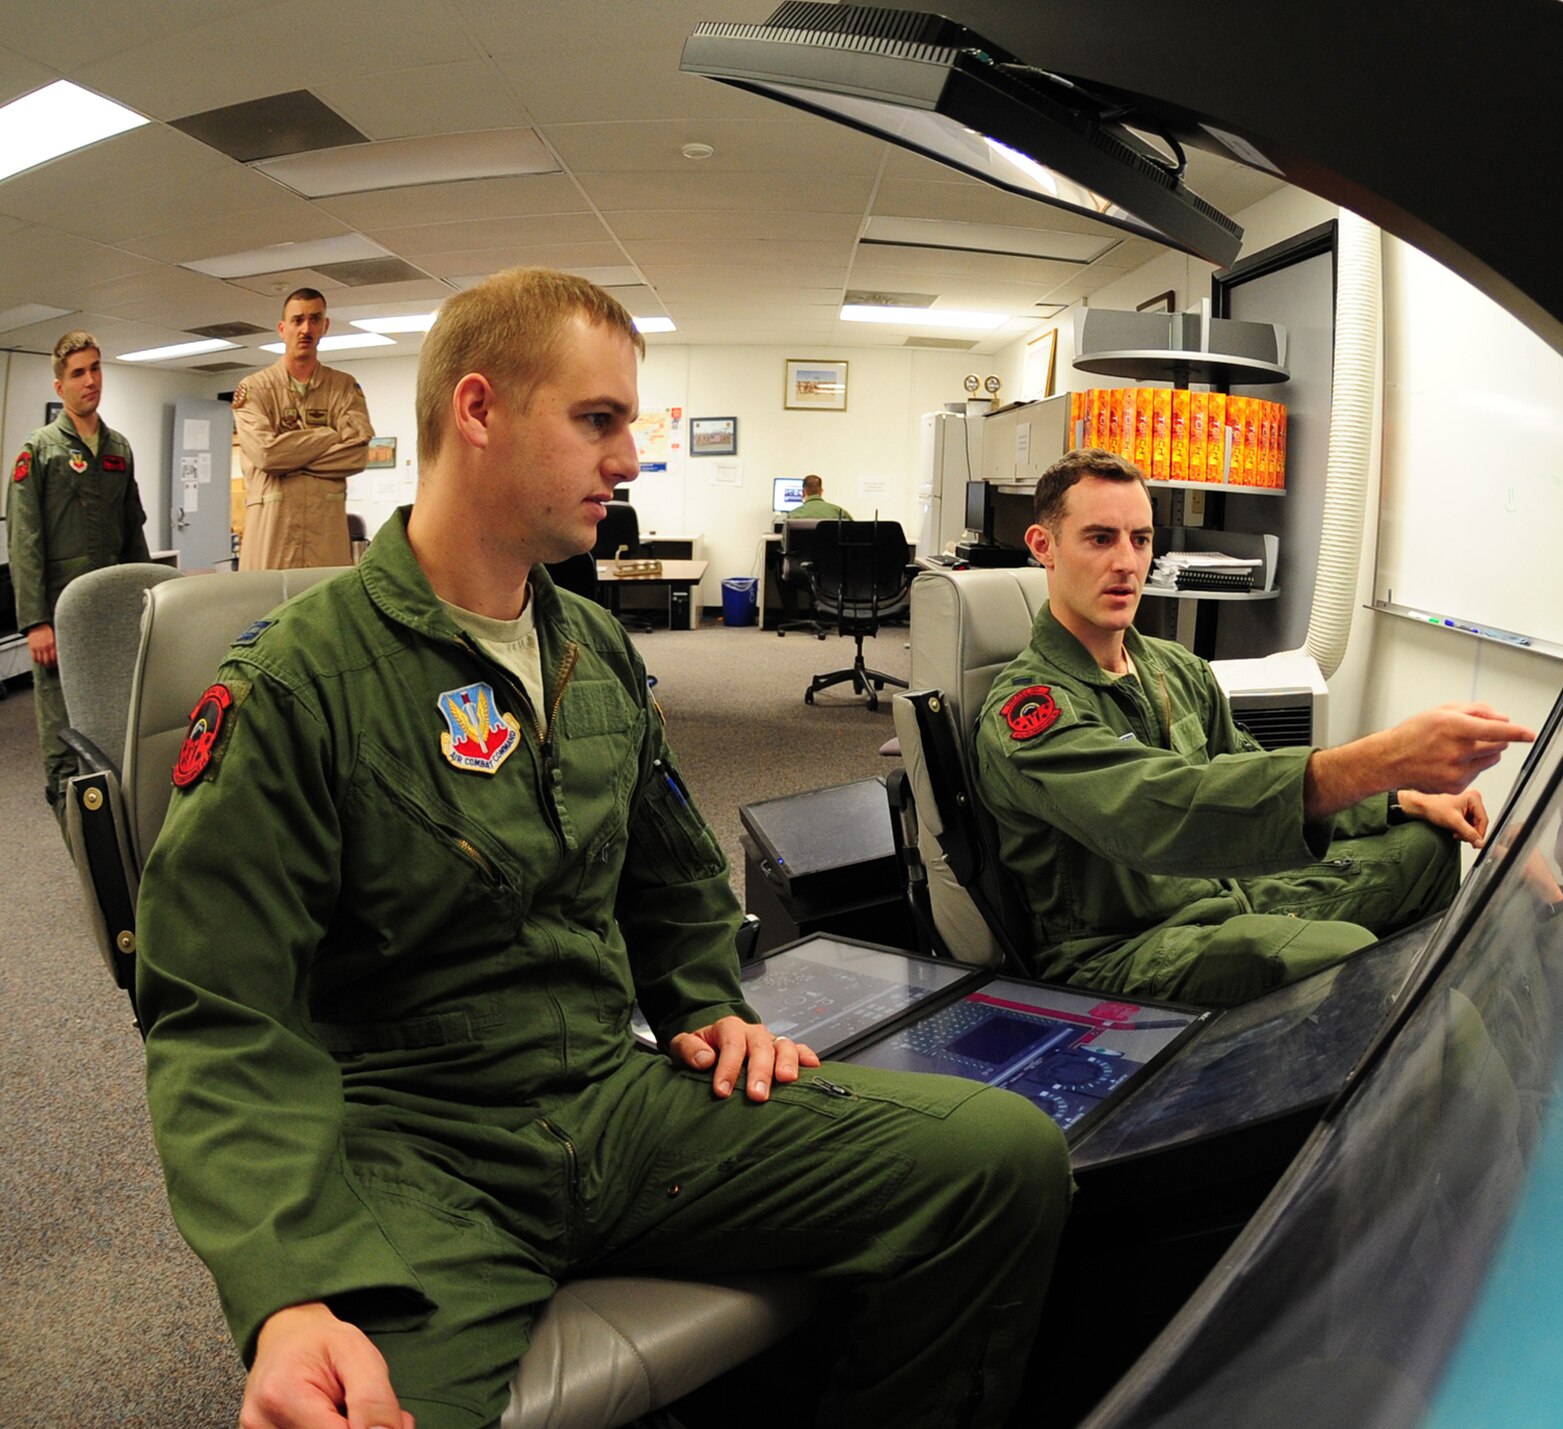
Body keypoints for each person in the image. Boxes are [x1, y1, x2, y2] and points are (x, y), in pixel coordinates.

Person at [136, 268, 1070, 1429]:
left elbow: (670, 870)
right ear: (477, 411)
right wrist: (287, 1291)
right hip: (417, 1142)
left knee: (1003, 1159)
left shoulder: (591, 647)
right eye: (598, 421)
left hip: (612, 1099)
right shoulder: (296, 681)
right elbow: (221, 1014)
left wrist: (700, 1004)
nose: (627, 459)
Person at [973, 448, 1536, 1007]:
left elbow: (1247, 769)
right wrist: (1382, 759)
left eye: (1140, 539)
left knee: (1427, 846)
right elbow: (1160, 813)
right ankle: (1407, 1035)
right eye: (1100, 539)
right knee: (1344, 955)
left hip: (1228, 895)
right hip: (1123, 947)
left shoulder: (1175, 669)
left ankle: (1412, 1022)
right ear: (1043, 547)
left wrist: (1398, 799)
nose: (1126, 562)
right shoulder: (1028, 713)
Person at [6, 330, 151, 811]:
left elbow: (134, 536)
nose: (91, 380)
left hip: (112, 617)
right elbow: (24, 543)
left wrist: (149, 603)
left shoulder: (119, 448)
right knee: (63, 748)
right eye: (78, 373)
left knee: (117, 730)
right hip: (60, 621)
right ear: (59, 386)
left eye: (96, 368)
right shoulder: (40, 451)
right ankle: (86, 863)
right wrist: (35, 621)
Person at [232, 287, 373, 570]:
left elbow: (356, 455)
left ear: (325, 326)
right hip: (271, 537)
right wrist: (329, 435)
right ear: (282, 329)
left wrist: (292, 458)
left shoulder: (343, 387)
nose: (306, 328)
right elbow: (267, 455)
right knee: (268, 610)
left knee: (325, 610)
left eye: (315, 319)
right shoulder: (254, 388)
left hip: (326, 537)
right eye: (297, 320)